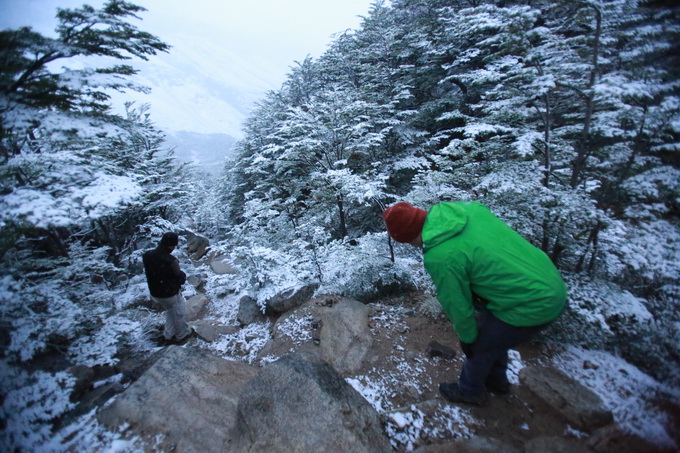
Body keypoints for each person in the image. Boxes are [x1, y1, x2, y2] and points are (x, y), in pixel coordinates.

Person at [382, 201, 567, 405]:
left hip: (532, 301)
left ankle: (470, 391)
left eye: (408, 241)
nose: (412, 245)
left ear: (408, 236)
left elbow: (456, 303)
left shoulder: (441, 256)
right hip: (545, 277)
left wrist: (467, 337)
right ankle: (497, 381)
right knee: (495, 334)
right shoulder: (467, 210)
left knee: (481, 344)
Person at [142, 232, 194, 344]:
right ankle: (182, 335)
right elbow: (179, 277)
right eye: (174, 246)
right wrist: (183, 275)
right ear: (169, 245)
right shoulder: (171, 260)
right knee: (180, 313)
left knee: (170, 311)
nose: (174, 248)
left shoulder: (147, 255)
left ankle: (168, 335)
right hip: (170, 293)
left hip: (155, 293)